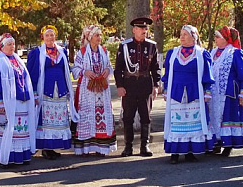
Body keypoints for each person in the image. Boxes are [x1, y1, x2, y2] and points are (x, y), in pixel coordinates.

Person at [161, 25, 214, 163]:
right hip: (176, 93)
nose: (182, 37)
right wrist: (166, 89)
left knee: (193, 122)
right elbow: (167, 74)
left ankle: (190, 151)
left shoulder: (202, 54)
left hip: (194, 93)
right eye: (181, 34)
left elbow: (207, 74)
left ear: (194, 37)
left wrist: (207, 91)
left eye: (185, 34)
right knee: (176, 122)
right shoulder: (172, 53)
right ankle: (175, 153)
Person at [27, 25, 79, 160]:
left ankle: (54, 146)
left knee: (58, 119)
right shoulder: (37, 53)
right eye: (47, 35)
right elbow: (32, 74)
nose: (50, 37)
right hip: (45, 90)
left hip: (59, 90)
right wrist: (34, 93)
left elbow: (65, 69)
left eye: (52, 35)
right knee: (46, 120)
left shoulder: (62, 52)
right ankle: (46, 148)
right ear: (42, 37)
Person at [0, 33, 37, 165]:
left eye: (13, 44)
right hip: (7, 101)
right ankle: (7, 157)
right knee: (8, 128)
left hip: (21, 100)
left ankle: (21, 154)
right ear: (1, 47)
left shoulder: (18, 61)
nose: (12, 46)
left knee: (20, 128)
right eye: (9, 44)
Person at [114, 16, 161, 157]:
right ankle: (128, 147)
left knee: (145, 116)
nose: (144, 31)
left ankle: (144, 146)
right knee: (128, 116)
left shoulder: (151, 46)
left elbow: (156, 68)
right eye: (141, 28)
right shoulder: (125, 46)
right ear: (134, 30)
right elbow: (118, 68)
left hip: (145, 83)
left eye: (146, 28)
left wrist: (156, 85)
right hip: (129, 84)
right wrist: (120, 85)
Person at [72, 25, 116, 156]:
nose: (100, 38)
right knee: (87, 115)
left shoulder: (104, 50)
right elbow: (75, 69)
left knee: (101, 115)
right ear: (90, 37)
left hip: (102, 90)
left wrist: (108, 70)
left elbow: (108, 65)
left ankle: (101, 147)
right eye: (97, 35)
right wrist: (85, 72)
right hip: (87, 90)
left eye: (100, 35)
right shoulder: (83, 52)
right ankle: (86, 147)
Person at [208, 26, 243, 157]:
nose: (215, 39)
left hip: (229, 93)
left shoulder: (235, 53)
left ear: (226, 39)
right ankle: (217, 142)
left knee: (227, 116)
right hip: (214, 93)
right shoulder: (212, 53)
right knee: (214, 115)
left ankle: (229, 144)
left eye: (217, 37)